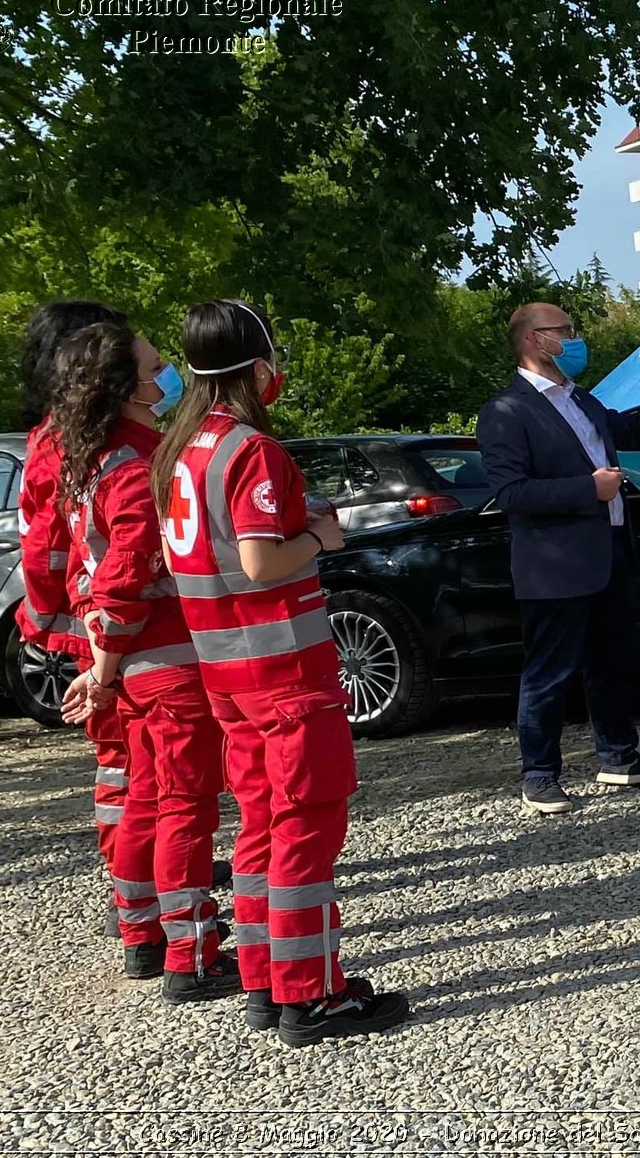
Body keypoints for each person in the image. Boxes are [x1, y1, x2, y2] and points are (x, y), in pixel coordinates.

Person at [151, 299, 408, 1045]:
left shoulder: (182, 451)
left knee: (262, 827)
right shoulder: (251, 452)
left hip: (226, 673)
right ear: (257, 367)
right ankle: (309, 996)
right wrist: (321, 538)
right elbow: (264, 561)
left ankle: (266, 979)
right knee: (305, 831)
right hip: (284, 673)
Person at [48, 320, 241, 1000]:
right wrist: (104, 668)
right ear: (123, 385)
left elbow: (84, 571)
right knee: (186, 807)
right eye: (156, 367)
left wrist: (102, 662)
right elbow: (127, 573)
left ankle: (143, 933)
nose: (168, 377)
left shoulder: (91, 456)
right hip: (167, 656)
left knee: (147, 798)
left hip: (133, 662)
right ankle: (194, 952)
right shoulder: (138, 462)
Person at [477, 303, 640, 815]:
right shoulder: (506, 410)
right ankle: (539, 774)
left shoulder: (579, 398)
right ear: (533, 340)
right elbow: (512, 493)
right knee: (550, 670)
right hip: (554, 563)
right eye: (563, 332)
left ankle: (618, 756)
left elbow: (628, 434)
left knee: (611, 661)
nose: (573, 340)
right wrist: (586, 490)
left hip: (609, 548)